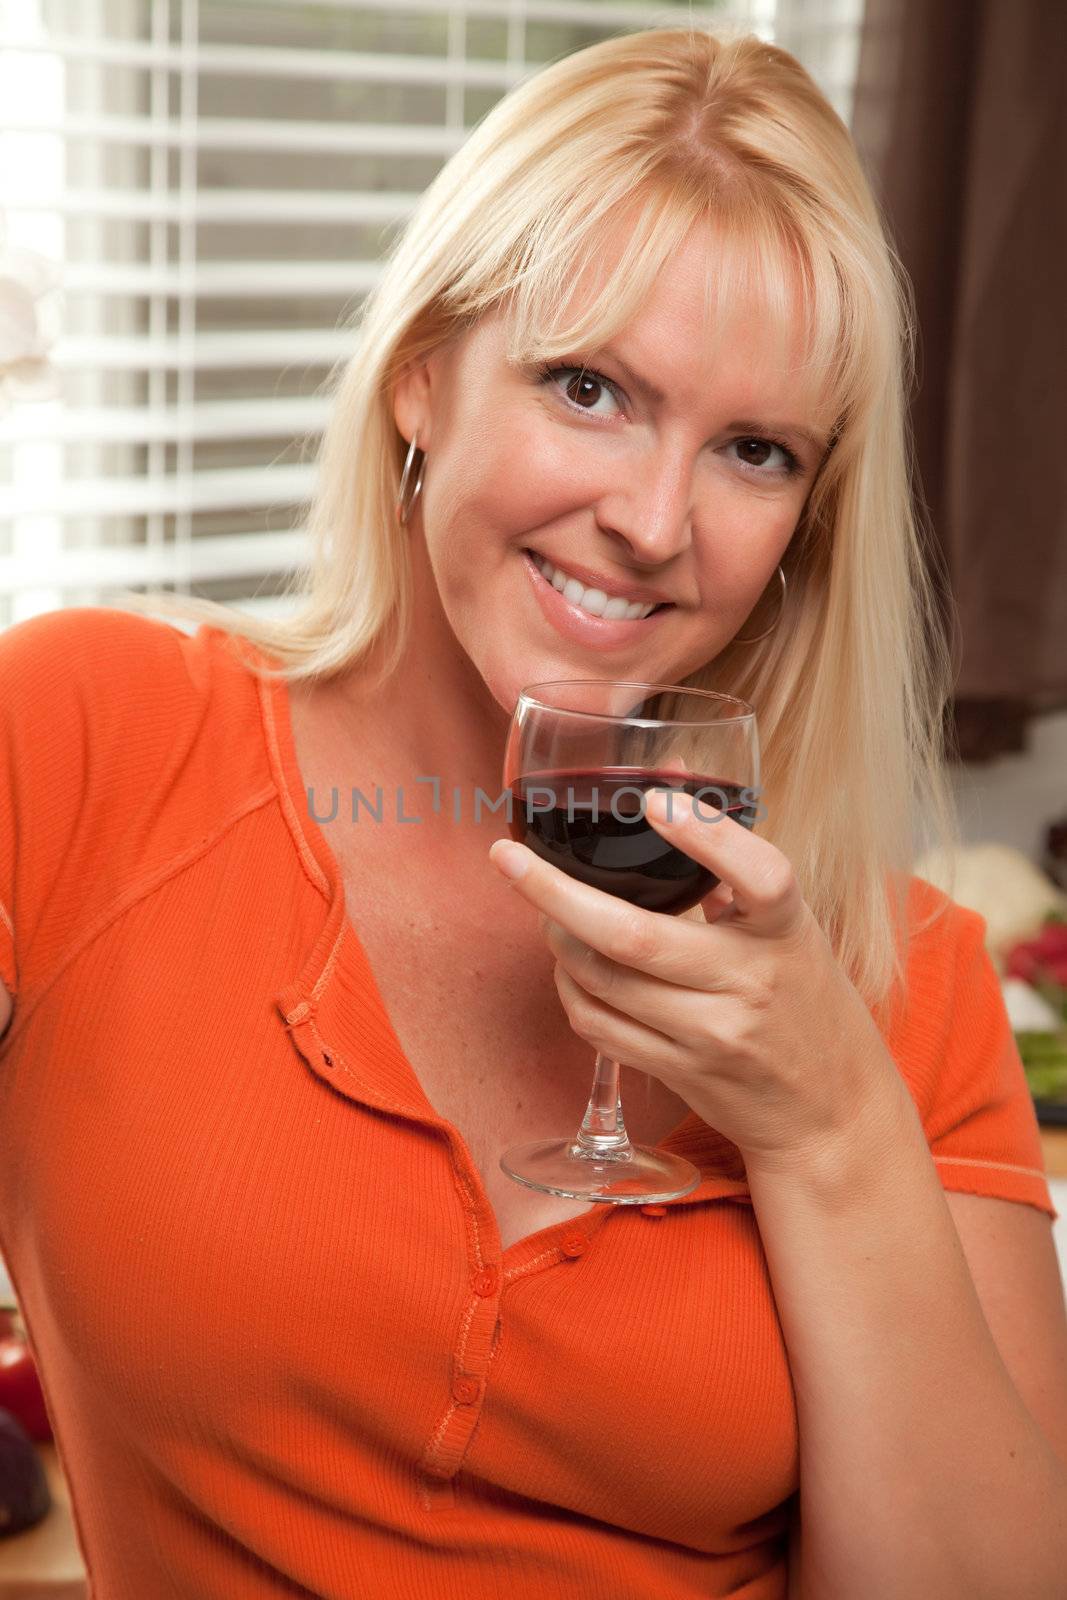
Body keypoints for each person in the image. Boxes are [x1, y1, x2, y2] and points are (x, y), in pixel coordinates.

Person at [1, 25, 1066, 1600]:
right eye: (590, 388)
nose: (651, 523)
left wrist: (830, 1125)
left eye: (754, 451)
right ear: (423, 373)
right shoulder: (95, 740)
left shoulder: (904, 983)